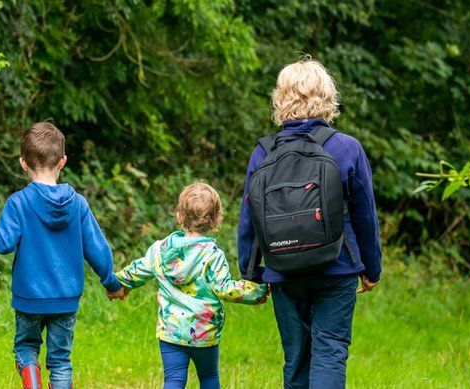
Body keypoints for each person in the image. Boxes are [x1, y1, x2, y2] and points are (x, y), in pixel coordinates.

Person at [238, 57, 382, 389]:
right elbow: (365, 216)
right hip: (337, 267)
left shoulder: (263, 153)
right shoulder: (347, 148)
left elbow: (249, 220)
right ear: (327, 97)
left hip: (283, 271)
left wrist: (251, 273)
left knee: (297, 358)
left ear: (281, 98)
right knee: (330, 353)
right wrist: (371, 268)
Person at [0, 122, 124, 389]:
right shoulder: (78, 204)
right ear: (62, 161)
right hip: (65, 299)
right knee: (61, 361)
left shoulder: (18, 202)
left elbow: (3, 243)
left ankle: (32, 383)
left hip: (29, 298)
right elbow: (97, 249)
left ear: (22, 163)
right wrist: (111, 283)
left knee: (26, 347)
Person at [114, 182, 268, 389]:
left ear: (179, 216)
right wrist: (258, 291)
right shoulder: (213, 255)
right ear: (215, 219)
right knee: (209, 378)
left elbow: (137, 270)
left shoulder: (160, 251)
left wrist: (116, 284)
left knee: (174, 381)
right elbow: (225, 289)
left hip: (171, 333)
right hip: (204, 333)